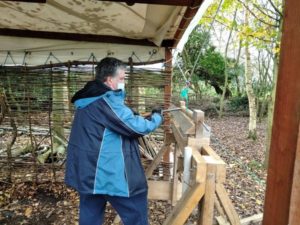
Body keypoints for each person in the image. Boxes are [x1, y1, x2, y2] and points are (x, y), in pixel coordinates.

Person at [65, 57, 163, 225]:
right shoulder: (106, 101)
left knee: (90, 215)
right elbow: (136, 128)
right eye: (122, 79)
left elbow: (110, 123)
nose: (123, 82)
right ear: (110, 80)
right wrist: (157, 118)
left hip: (87, 171)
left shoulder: (88, 99)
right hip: (107, 172)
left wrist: (131, 114)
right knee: (136, 212)